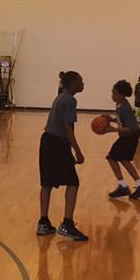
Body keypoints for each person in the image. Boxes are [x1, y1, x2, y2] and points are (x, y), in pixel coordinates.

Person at [37, 70, 87, 242]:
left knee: (47, 183)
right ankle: (67, 224)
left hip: (47, 141)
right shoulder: (70, 100)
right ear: (73, 83)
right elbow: (68, 128)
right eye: (80, 80)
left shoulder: (61, 96)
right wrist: (77, 152)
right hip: (58, 142)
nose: (83, 83)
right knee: (73, 182)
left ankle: (43, 223)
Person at [104, 80, 140, 200]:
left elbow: (132, 127)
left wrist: (112, 130)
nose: (112, 96)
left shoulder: (124, 107)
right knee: (123, 160)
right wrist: (112, 119)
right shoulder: (120, 104)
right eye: (111, 93)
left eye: (114, 93)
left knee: (112, 158)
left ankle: (125, 186)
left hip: (131, 135)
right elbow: (122, 121)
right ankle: (139, 186)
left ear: (122, 95)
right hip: (127, 136)